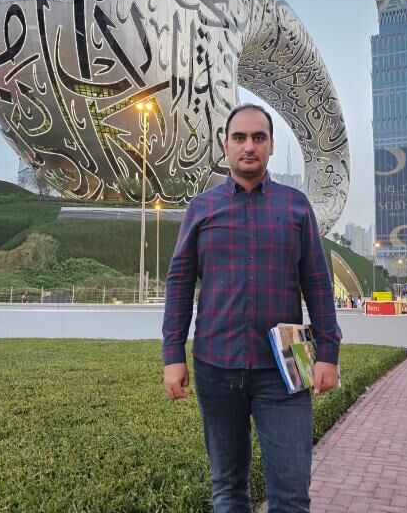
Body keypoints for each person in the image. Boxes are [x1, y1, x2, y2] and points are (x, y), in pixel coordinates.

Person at [162, 103, 341, 513]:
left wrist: (328, 354)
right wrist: (173, 355)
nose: (249, 146)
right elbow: (179, 284)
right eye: (239, 137)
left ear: (271, 145)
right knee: (228, 489)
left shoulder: (296, 207)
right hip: (216, 365)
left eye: (259, 138)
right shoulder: (202, 208)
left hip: (285, 367)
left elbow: (317, 284)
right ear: (225, 145)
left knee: (291, 494)